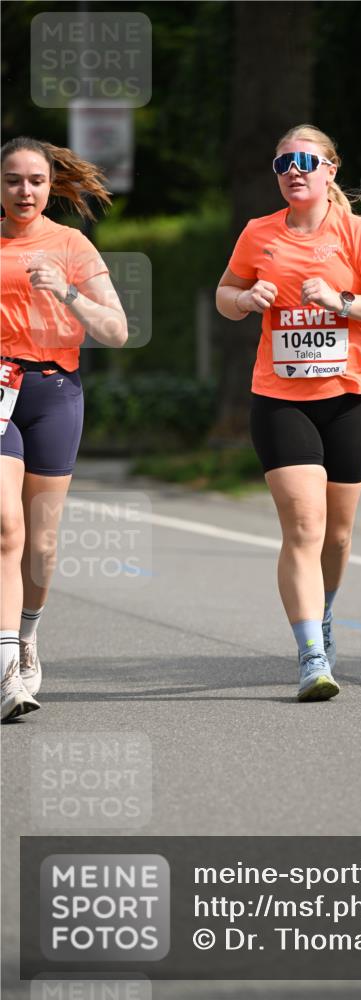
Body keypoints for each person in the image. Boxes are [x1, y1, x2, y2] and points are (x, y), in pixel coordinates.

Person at [216, 124, 361, 702]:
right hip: (280, 397)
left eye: (305, 161)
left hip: (351, 397)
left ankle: (323, 616)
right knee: (303, 528)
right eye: (283, 164)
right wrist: (246, 300)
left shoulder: (358, 234)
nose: (294, 171)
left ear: (331, 169)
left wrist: (343, 301)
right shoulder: (259, 234)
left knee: (338, 535)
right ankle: (310, 655)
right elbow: (224, 297)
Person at [1, 137, 128, 722]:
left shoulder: (72, 244)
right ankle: (6, 669)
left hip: (55, 393)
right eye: (12, 180)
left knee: (42, 542)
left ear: (51, 186)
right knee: (7, 529)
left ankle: (28, 637)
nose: (24, 191)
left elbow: (117, 330)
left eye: (35, 181)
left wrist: (67, 291)